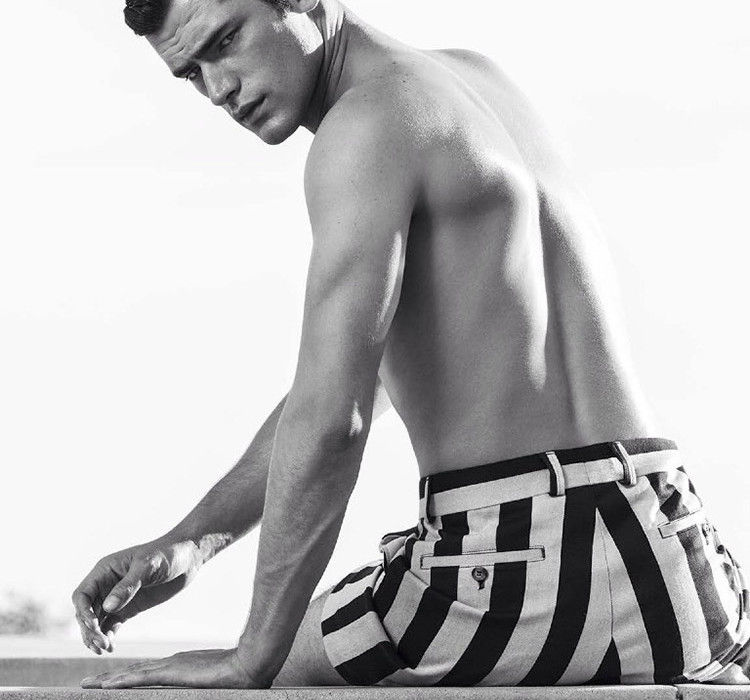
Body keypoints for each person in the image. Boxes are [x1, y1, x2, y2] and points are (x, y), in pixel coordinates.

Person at [72, 0, 750, 689]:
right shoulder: (478, 84)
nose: (219, 88)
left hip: (514, 567)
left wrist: (251, 658)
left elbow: (333, 420)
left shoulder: (365, 125)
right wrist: (192, 541)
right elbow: (356, 385)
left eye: (225, 41)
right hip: (676, 564)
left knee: (247, 670)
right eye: (191, 73)